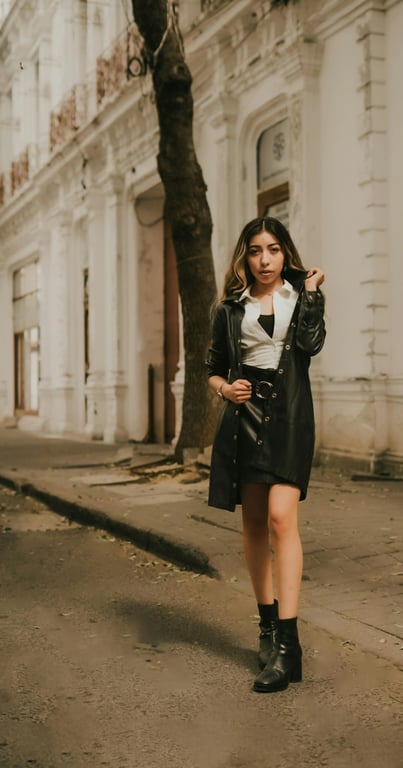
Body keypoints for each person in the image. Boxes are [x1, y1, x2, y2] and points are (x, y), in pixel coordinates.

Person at [207, 216, 326, 693]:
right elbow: (213, 367)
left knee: (282, 518)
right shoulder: (229, 307)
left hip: (291, 415)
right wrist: (224, 390)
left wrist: (313, 294)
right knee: (254, 523)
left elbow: (310, 345)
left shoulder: (302, 297)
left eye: (273, 250)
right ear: (245, 256)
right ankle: (267, 627)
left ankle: (289, 646)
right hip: (245, 415)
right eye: (256, 251)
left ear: (285, 253)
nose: (265, 260)